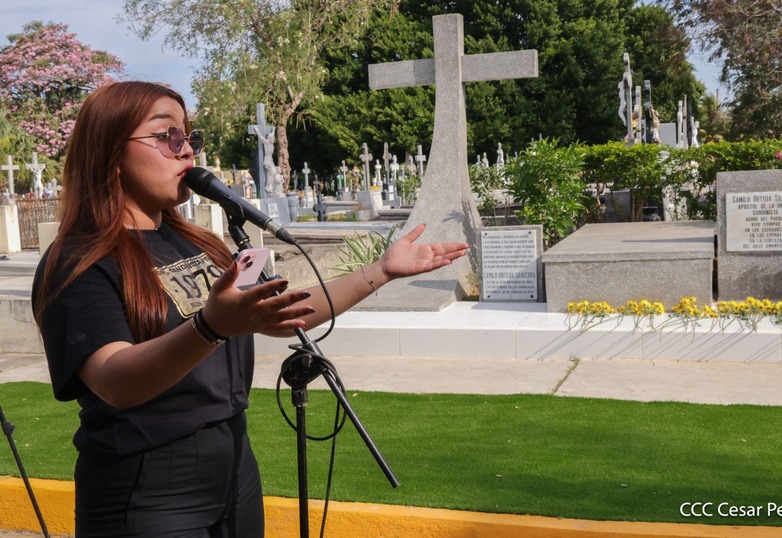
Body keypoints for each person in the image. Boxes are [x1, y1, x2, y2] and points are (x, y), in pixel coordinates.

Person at [31, 81, 469, 538]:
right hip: (147, 484)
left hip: (234, 464)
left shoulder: (195, 240)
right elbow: (114, 380)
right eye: (168, 137)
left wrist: (381, 271)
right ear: (109, 152)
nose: (187, 152)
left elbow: (281, 315)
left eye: (189, 137)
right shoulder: (80, 261)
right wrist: (210, 328)